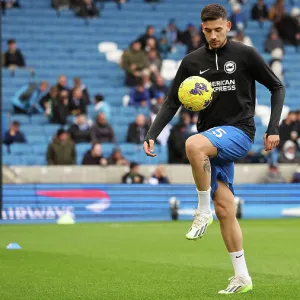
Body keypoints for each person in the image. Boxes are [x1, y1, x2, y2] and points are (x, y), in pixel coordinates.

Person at [143, 4, 285, 294]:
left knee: (192, 144)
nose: (213, 35)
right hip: (211, 140)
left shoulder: (244, 54)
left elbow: (277, 86)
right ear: (201, 28)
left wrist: (273, 128)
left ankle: (201, 210)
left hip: (240, 133)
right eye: (207, 30)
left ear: (228, 26)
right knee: (226, 208)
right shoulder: (192, 61)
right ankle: (242, 276)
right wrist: (152, 133)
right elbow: (172, 101)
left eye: (218, 29)